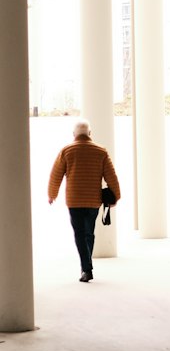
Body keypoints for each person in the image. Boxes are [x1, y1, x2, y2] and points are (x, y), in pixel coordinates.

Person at [48, 119, 121, 283]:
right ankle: (87, 266)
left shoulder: (67, 151)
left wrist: (52, 194)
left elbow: (56, 175)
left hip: (74, 200)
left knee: (79, 234)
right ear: (90, 134)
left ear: (74, 135)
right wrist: (115, 196)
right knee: (89, 233)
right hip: (93, 200)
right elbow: (112, 177)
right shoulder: (100, 151)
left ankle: (86, 269)